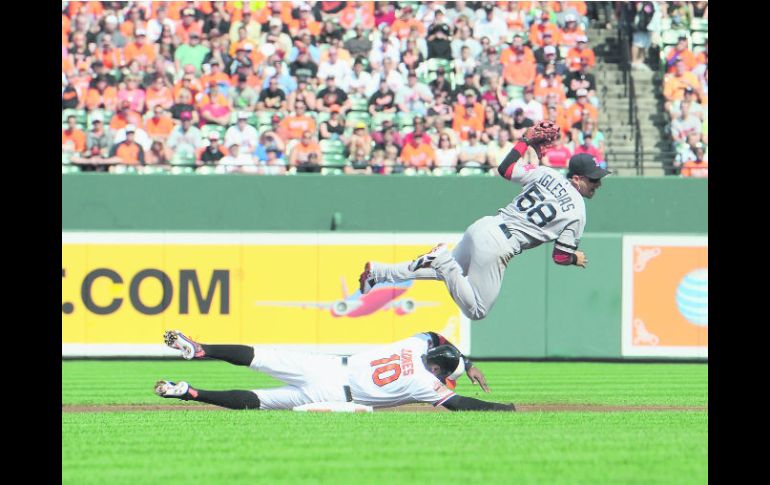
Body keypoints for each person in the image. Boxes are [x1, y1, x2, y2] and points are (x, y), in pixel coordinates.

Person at [358, 121, 609, 321]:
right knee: (477, 310)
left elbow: (505, 169)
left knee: (444, 273)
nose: (598, 183)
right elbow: (561, 256)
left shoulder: (545, 172)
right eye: (593, 178)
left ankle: (379, 273)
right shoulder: (578, 211)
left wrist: (524, 142)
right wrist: (576, 258)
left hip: (484, 226)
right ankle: (442, 260)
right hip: (499, 246)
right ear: (577, 178)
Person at [155, 329, 514, 412]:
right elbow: (458, 404)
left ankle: (203, 350)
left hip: (329, 364)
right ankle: (191, 392)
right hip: (332, 394)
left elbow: (435, 335)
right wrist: (503, 409)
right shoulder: (424, 382)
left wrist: (466, 362)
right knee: (260, 401)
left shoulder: (414, 346)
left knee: (259, 355)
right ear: (437, 370)